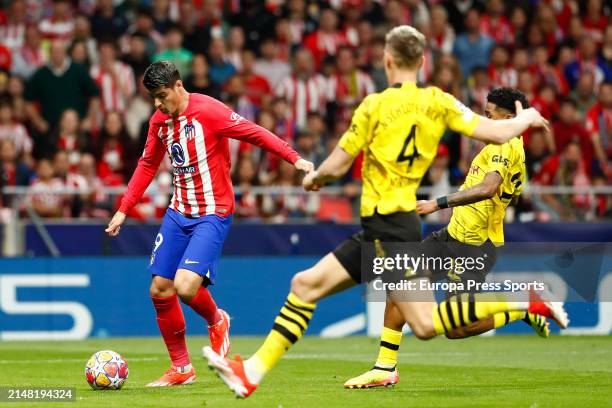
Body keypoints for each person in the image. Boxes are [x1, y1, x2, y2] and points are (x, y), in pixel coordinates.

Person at [203, 25, 560, 399]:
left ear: (387, 60)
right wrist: (526, 118)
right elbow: (497, 131)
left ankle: (522, 300)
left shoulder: (373, 105)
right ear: (422, 62)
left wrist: (314, 178)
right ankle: (253, 373)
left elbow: (338, 165)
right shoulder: (439, 101)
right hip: (386, 228)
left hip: (392, 229)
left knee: (425, 324)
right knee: (305, 285)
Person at [105, 61, 313, 387]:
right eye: (153, 99)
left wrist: (295, 158)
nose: (159, 104)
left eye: (162, 96)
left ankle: (217, 320)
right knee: (160, 288)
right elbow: (147, 164)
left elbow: (255, 133)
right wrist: (123, 208)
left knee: (186, 286)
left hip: (212, 211)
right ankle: (182, 368)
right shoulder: (159, 121)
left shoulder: (210, 111)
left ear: (177, 86)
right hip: (178, 212)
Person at [344, 87, 549, 389]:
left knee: (456, 327)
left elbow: (489, 187)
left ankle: (521, 308)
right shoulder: (500, 143)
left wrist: (437, 203)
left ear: (508, 116)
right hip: (450, 236)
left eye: (489, 113)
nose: (484, 117)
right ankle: (385, 367)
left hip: (474, 247)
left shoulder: (507, 145)